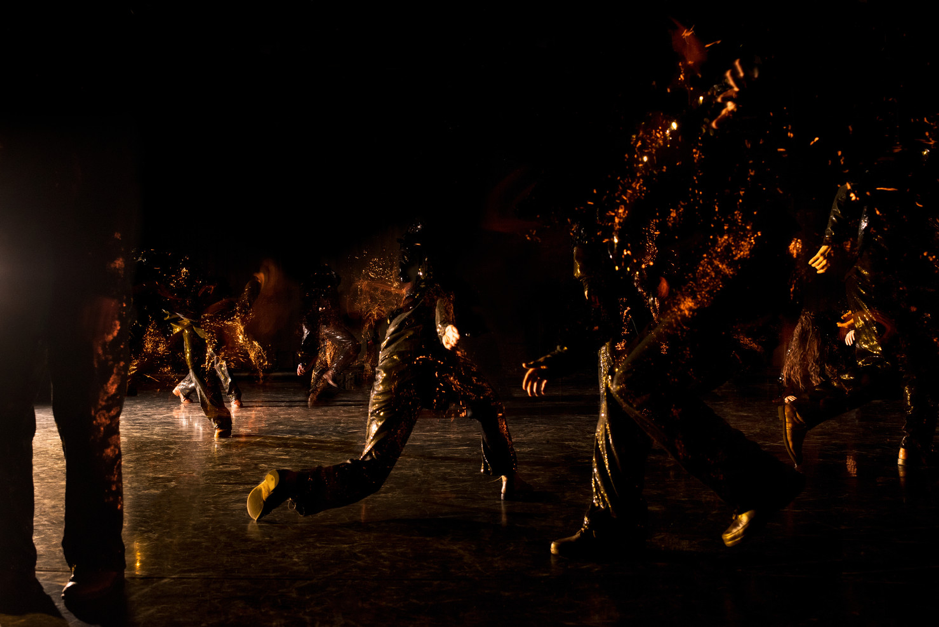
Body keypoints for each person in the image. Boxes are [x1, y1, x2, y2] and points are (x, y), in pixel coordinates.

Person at [247, 222, 527, 521]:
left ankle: (510, 479)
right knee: (372, 470)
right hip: (408, 373)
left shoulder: (415, 296)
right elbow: (443, 312)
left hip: (425, 370)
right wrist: (447, 329)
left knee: (487, 401)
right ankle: (291, 482)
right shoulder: (436, 287)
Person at [0, 120, 137, 612]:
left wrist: (107, 278)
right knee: (4, 415)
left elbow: (115, 171)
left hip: (79, 274)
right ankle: (8, 568)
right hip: (18, 270)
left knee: (87, 417)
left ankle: (99, 556)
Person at [296, 265, 361, 406]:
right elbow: (308, 333)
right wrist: (304, 361)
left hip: (326, 340)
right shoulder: (319, 298)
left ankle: (320, 387)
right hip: (326, 333)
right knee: (353, 345)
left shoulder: (327, 295)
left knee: (314, 398)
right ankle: (330, 374)